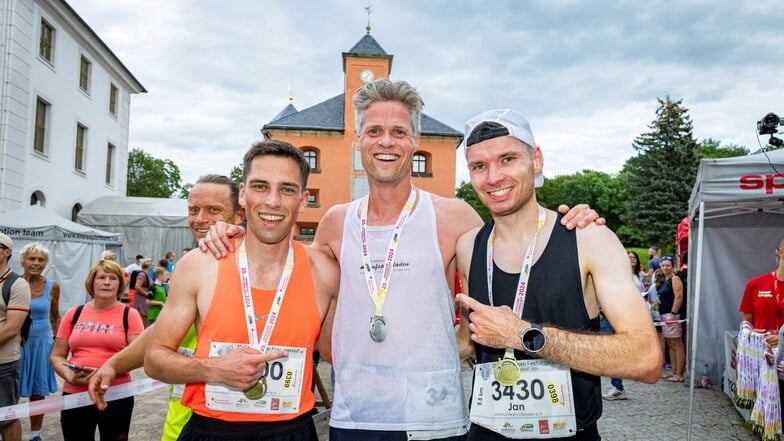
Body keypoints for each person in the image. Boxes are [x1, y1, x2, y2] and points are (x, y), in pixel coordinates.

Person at [202, 80, 602, 441]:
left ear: (415, 140)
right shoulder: (335, 222)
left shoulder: (454, 216)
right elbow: (289, 270)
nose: (386, 142)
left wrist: (568, 219)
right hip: (354, 417)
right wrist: (234, 232)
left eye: (398, 132)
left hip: (435, 419)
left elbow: (516, 266)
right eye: (374, 131)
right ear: (358, 139)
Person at [453, 109, 661, 440]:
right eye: (479, 166)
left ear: (536, 160)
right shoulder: (468, 247)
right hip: (487, 429)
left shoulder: (589, 238)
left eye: (507, 159)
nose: (493, 177)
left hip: (568, 433)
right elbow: (468, 339)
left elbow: (645, 358)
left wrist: (523, 335)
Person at [145, 140, 337, 440]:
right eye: (260, 186)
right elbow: (154, 359)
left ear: (303, 200)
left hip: (292, 431)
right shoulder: (199, 264)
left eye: (287, 189)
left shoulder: (325, 272)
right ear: (243, 195)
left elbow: (332, 350)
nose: (272, 201)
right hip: (211, 430)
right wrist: (214, 370)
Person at [88, 173, 245, 441]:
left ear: (239, 215)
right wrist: (114, 365)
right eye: (194, 210)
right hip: (182, 422)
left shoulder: (252, 264)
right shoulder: (192, 266)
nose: (200, 219)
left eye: (214, 210)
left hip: (233, 420)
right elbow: (164, 330)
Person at [50, 259, 144, 441]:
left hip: (115, 394)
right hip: (75, 392)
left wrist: (108, 371)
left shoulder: (129, 315)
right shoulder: (74, 313)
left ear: (120, 285)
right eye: (101, 277)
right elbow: (56, 355)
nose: (107, 282)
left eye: (113, 278)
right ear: (91, 283)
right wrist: (70, 377)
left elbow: (139, 356)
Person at [18, 243, 60, 441]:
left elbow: (55, 317)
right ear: (22, 261)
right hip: (15, 343)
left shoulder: (53, 286)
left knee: (37, 391)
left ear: (46, 263)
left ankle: (36, 434)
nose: (36, 263)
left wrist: (59, 345)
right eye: (31, 258)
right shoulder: (12, 283)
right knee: (8, 392)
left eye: (41, 260)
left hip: (41, 344)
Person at [0, 233, 32, 441]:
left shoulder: (17, 284)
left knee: (7, 418)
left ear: (7, 252)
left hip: (4, 362)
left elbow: (12, 328)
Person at [657, 255, 685, 382]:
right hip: (665, 315)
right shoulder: (666, 280)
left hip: (671, 315)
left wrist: (673, 313)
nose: (665, 268)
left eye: (668, 265)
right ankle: (674, 371)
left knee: (676, 343)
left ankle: (679, 373)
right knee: (670, 343)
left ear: (673, 266)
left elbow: (679, 297)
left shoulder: (675, 278)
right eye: (663, 265)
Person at [132, 259, 153, 327]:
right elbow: (137, 287)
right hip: (141, 298)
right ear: (148, 266)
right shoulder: (142, 274)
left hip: (143, 298)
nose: (152, 266)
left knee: (144, 317)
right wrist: (146, 294)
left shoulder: (146, 274)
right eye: (151, 264)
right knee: (142, 317)